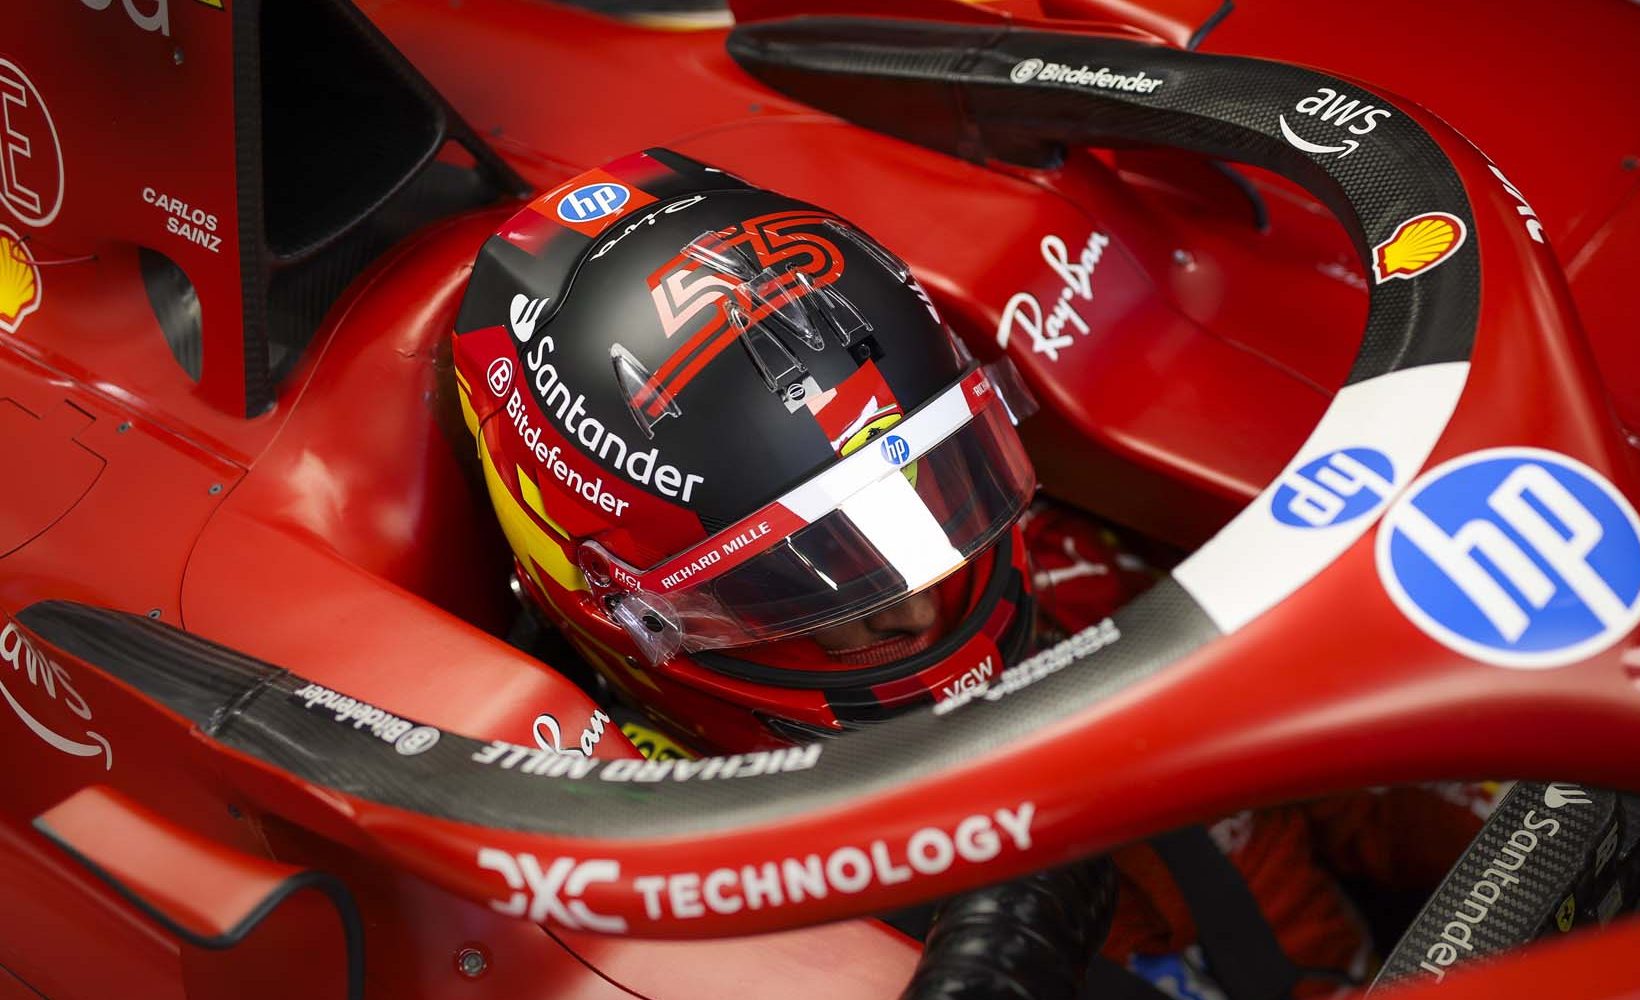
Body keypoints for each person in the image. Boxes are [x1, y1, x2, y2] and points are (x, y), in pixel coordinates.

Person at [451, 148, 1484, 997]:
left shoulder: (1088, 591)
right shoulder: (666, 900)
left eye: (934, 501)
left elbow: (1356, 778)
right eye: (811, 576)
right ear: (633, 611)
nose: (918, 594)